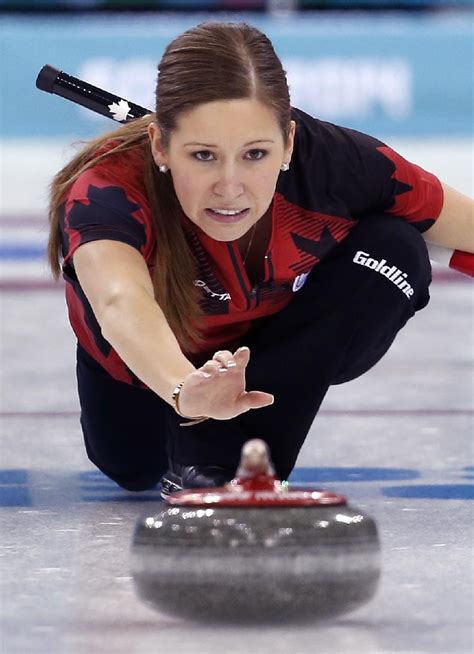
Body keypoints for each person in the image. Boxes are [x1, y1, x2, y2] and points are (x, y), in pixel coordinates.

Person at [48, 21, 473, 495]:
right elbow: (119, 301)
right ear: (159, 146)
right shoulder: (107, 191)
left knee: (396, 248)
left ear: (289, 143)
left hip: (270, 353)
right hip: (147, 368)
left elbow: (464, 227)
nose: (230, 187)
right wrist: (185, 391)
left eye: (254, 154)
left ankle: (226, 456)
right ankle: (190, 436)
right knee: (134, 468)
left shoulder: (337, 164)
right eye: (203, 155)